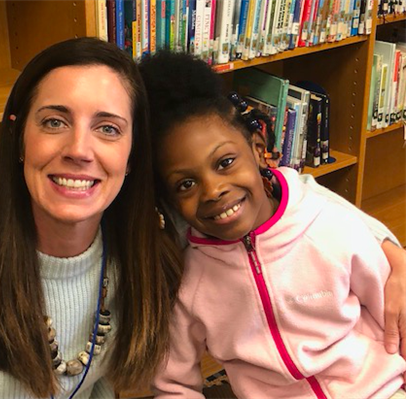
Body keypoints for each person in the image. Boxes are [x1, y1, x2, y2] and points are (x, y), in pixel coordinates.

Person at [0, 38, 182, 399]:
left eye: (108, 128)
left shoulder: (137, 257)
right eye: (54, 122)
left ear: (131, 157)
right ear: (19, 137)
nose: (79, 150)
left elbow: (100, 386)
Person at [138, 51, 406, 399]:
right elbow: (174, 385)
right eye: (185, 184)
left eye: (225, 162)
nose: (213, 190)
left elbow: (395, 315)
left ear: (258, 149)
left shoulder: (329, 225)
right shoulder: (188, 281)